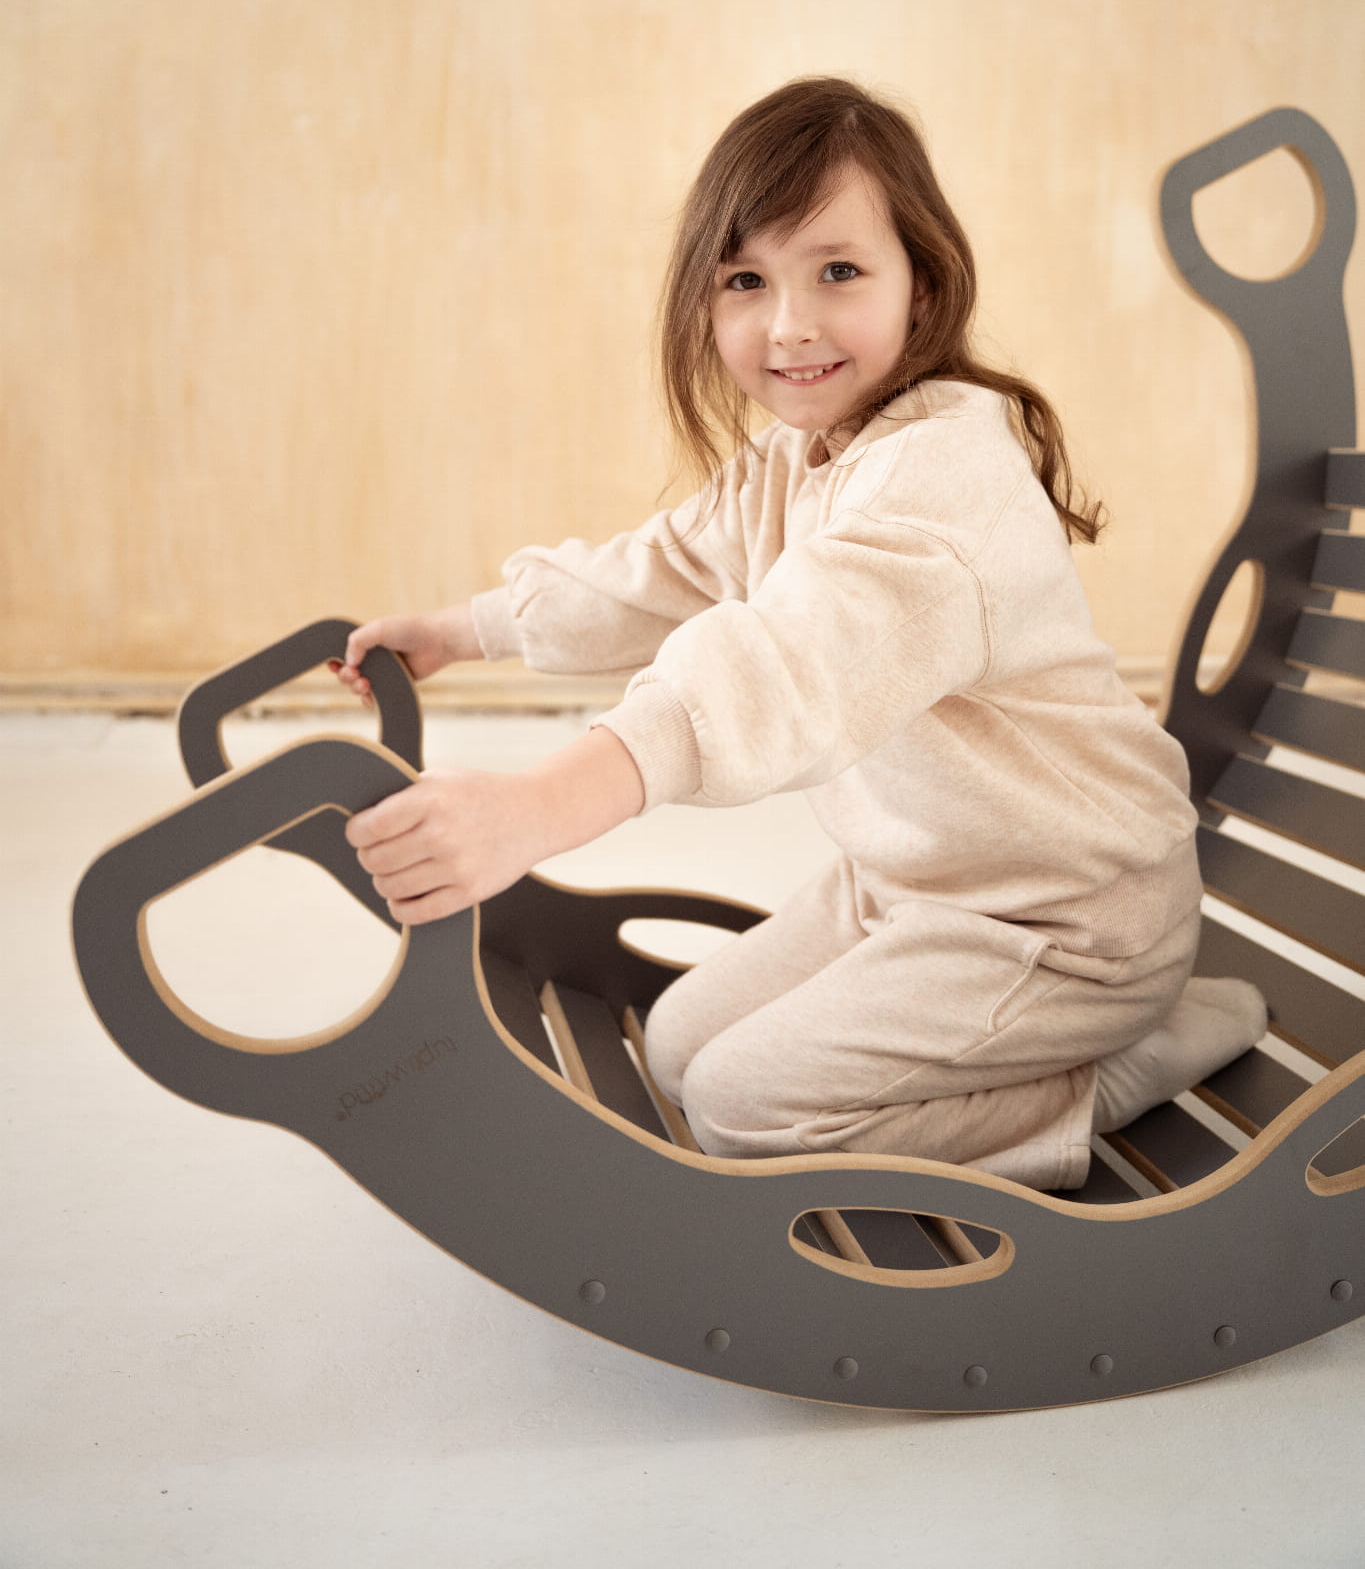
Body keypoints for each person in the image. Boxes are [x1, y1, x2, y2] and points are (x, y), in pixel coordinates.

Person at [335, 77, 1266, 1192]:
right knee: (679, 1045)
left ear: (923, 285)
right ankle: (1038, 1050)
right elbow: (661, 569)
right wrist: (459, 630)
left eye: (837, 272)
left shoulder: (944, 485)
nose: (789, 325)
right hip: (912, 889)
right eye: (746, 280)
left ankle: (1113, 1074)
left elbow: (774, 670)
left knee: (747, 1109)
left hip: (1065, 923)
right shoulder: (794, 461)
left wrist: (538, 806)